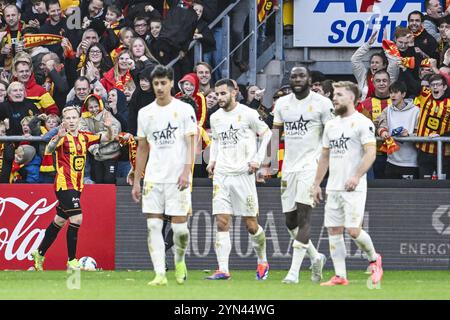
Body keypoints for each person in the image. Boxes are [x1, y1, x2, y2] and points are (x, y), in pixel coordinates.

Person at [312, 81, 383, 287]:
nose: (334, 98)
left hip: (354, 186)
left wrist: (357, 175)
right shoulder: (331, 125)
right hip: (333, 186)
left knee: (353, 230)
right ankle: (340, 275)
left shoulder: (362, 122)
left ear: (351, 98)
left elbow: (371, 152)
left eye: (339, 95)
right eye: (334, 95)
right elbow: (324, 156)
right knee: (333, 230)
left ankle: (373, 259)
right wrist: (317, 184)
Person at [131, 65, 197, 286]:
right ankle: (159, 273)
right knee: (153, 226)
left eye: (163, 83)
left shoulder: (184, 109)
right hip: (153, 177)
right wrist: (138, 180)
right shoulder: (145, 113)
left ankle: (179, 260)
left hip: (178, 177)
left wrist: (187, 171)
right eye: (156, 83)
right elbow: (142, 148)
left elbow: (191, 143)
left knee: (180, 230)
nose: (159, 87)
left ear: (171, 83)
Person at [31, 106, 114, 270]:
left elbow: (107, 138)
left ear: (79, 120)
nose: (71, 121)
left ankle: (39, 253)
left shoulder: (85, 137)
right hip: (63, 184)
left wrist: (109, 126)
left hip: (77, 185)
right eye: (67, 118)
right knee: (77, 219)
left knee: (60, 220)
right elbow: (48, 149)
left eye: (74, 118)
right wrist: (56, 139)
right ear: (64, 121)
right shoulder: (62, 137)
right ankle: (72, 261)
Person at [205, 78, 272, 281]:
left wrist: (258, 160)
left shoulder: (248, 114)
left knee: (251, 225)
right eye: (217, 94)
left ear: (234, 93)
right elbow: (216, 140)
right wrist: (212, 161)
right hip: (222, 175)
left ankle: (262, 261)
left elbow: (268, 133)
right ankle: (223, 269)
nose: (220, 98)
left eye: (223, 93)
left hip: (244, 174)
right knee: (221, 221)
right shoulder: (215, 117)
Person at [271, 66, 331, 284]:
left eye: (301, 76)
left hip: (311, 166)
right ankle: (316, 257)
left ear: (309, 79)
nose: (297, 79)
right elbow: (275, 133)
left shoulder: (323, 104)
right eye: (293, 76)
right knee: (290, 221)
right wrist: (268, 163)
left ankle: (293, 272)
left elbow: (330, 135)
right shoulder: (282, 104)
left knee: (305, 215)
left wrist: (327, 166)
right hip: (289, 167)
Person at [374, 81, 420, 179]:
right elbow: (380, 125)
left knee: (409, 194)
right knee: (390, 193)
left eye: (396, 92)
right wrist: (383, 132)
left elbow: (421, 134)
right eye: (391, 93)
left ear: (403, 94)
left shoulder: (416, 111)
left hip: (410, 163)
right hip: (391, 161)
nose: (392, 95)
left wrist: (408, 135)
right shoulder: (387, 109)